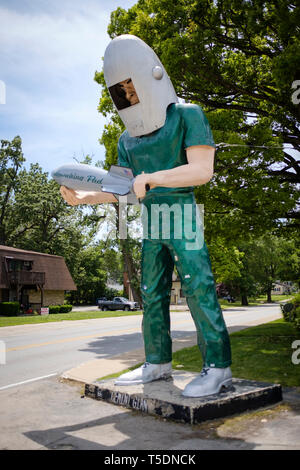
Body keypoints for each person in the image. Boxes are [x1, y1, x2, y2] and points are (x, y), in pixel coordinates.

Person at [60, 34, 232, 397]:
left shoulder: (188, 115)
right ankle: (156, 362)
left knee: (198, 287)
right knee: (152, 294)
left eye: (130, 87)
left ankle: (218, 367)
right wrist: (82, 198)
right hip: (152, 222)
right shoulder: (127, 140)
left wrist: (153, 178)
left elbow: (202, 170)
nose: (127, 95)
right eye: (120, 91)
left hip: (182, 213)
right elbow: (119, 187)